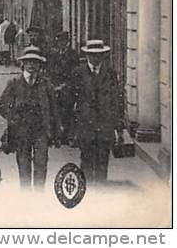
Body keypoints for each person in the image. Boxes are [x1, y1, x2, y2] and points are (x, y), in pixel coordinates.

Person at [0, 46, 59, 191]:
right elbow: (2, 105)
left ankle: (39, 194)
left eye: (35, 62)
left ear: (39, 64)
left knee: (41, 162)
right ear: (22, 64)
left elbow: (54, 109)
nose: (31, 65)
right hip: (21, 131)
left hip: (40, 130)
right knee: (24, 164)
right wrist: (13, 119)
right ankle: (25, 196)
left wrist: (56, 130)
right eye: (28, 62)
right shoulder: (14, 83)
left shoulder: (45, 84)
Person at [72, 39, 124, 185]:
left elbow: (117, 100)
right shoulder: (78, 73)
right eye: (91, 55)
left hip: (104, 126)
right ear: (87, 55)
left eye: (98, 55)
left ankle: (101, 192)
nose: (95, 58)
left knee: (102, 162)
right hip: (85, 126)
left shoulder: (110, 74)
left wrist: (118, 127)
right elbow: (71, 101)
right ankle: (87, 193)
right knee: (86, 161)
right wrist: (72, 128)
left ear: (103, 56)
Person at [48, 32, 78, 145]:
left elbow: (74, 73)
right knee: (55, 109)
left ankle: (67, 135)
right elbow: (51, 70)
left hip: (68, 86)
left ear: (67, 42)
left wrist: (64, 85)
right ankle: (57, 135)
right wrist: (53, 84)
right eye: (59, 42)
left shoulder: (73, 54)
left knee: (67, 110)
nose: (61, 44)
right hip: (56, 85)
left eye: (63, 41)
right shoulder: (55, 54)